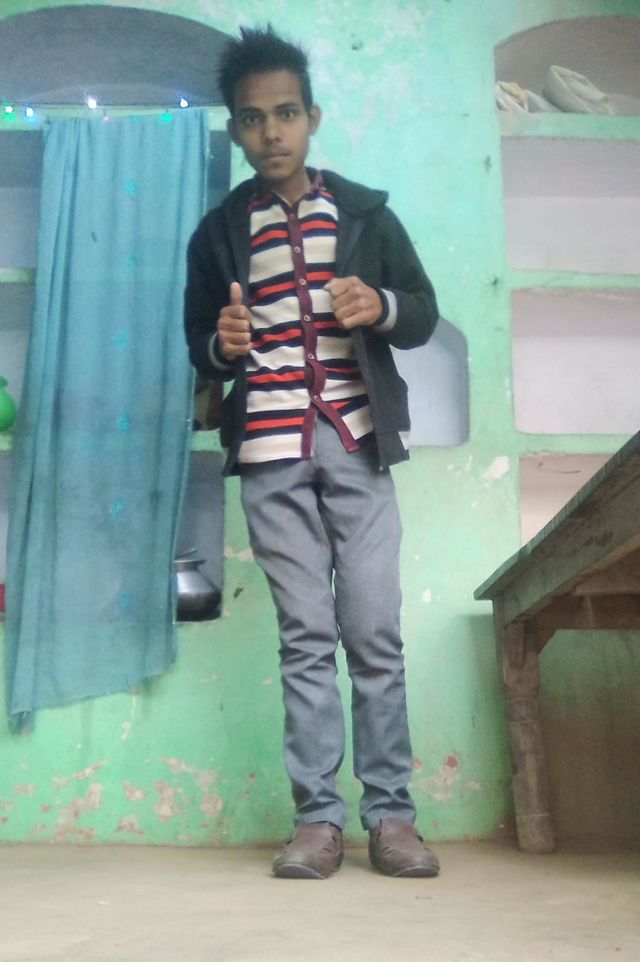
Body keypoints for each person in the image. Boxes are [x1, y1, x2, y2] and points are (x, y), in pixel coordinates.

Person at [184, 25, 440, 880]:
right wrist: (221, 345)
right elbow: (199, 340)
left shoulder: (364, 214)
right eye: (253, 119)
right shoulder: (218, 232)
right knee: (305, 636)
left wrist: (382, 305)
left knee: (373, 631)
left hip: (357, 441)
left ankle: (392, 817)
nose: (272, 132)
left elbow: (423, 311)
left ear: (313, 117)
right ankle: (317, 822)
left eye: (286, 113)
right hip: (269, 449)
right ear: (235, 130)